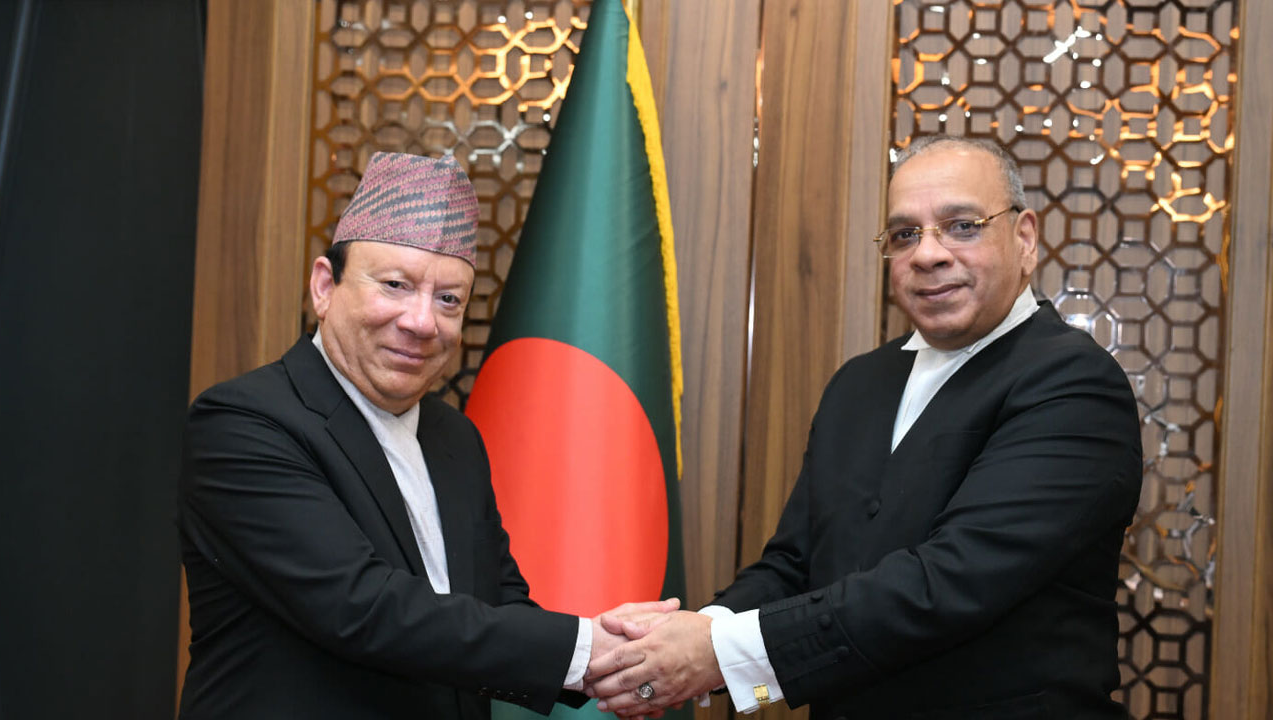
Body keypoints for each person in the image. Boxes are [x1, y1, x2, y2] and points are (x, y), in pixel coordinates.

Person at [586, 135, 1143, 719]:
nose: (928, 254)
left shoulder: (1073, 383)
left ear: (1024, 238)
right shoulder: (859, 383)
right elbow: (795, 563)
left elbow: (949, 582)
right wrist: (697, 630)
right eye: (905, 235)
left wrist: (717, 653)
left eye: (962, 226)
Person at [177, 152, 674, 720]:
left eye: (448, 300)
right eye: (395, 285)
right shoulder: (244, 423)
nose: (421, 322)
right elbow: (362, 608)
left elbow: (499, 603)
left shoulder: (454, 437)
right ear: (324, 286)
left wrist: (622, 663)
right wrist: (586, 653)